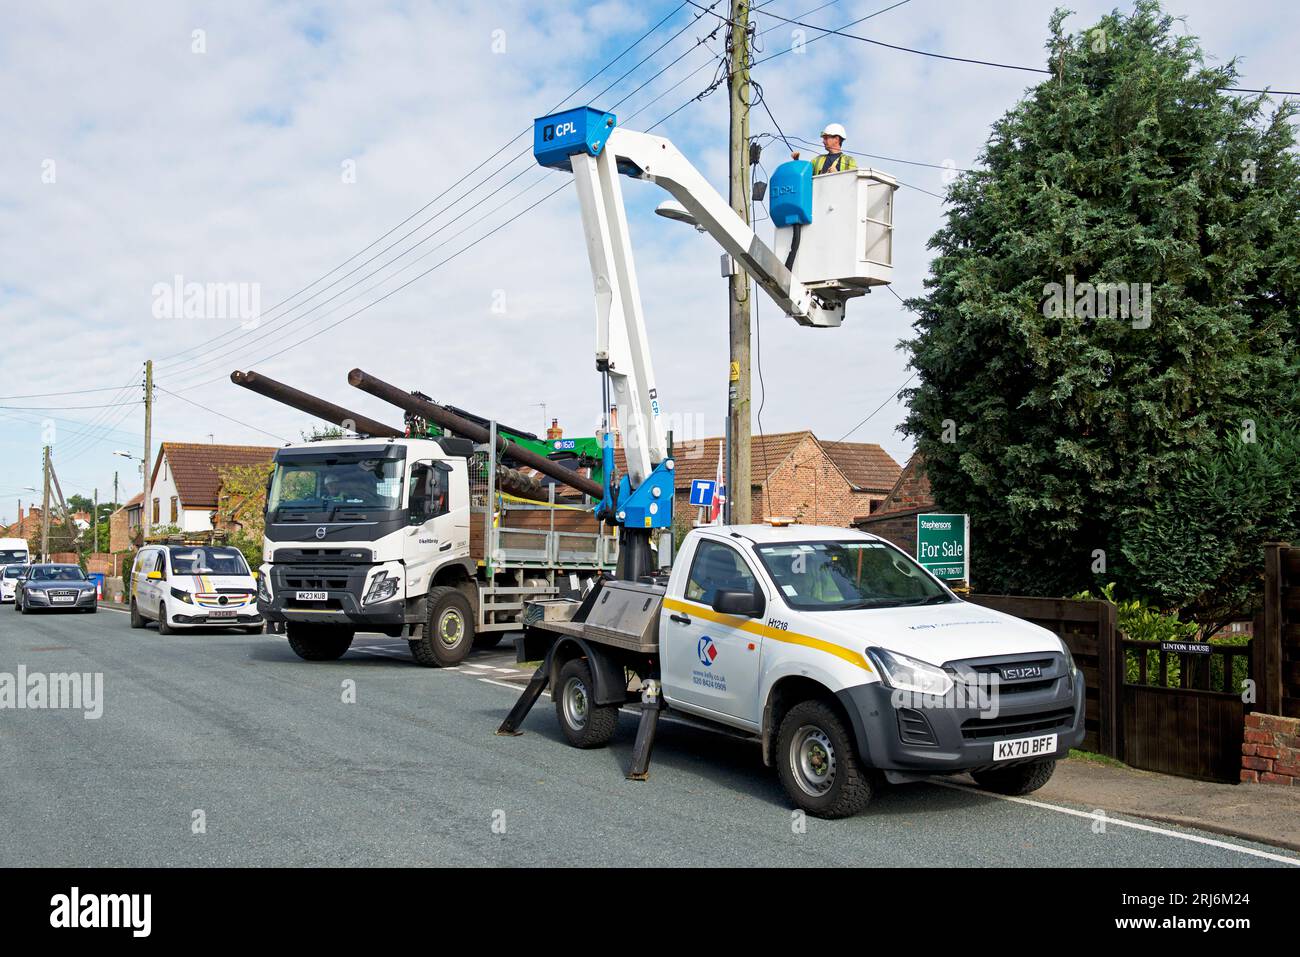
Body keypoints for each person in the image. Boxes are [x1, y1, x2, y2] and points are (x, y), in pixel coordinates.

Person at [791, 123, 858, 175]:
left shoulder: (849, 161)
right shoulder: (816, 160)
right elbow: (804, 176)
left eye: (826, 138)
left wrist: (837, 175)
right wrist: (796, 161)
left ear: (837, 139)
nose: (823, 141)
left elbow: (853, 184)